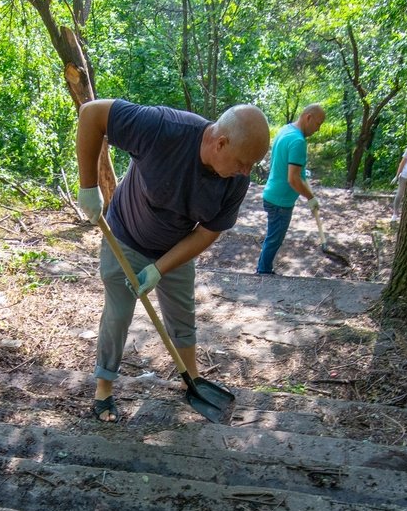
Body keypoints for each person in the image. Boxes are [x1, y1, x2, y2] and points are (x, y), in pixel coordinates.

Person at [75, 99, 270, 423]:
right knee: (119, 315)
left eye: (250, 166)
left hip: (175, 249)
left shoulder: (236, 181)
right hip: (124, 238)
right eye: (242, 163)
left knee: (182, 315)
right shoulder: (163, 129)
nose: (245, 172)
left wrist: (159, 268)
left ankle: (191, 380)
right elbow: (92, 114)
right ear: (220, 143)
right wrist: (88, 186)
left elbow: (207, 233)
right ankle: (104, 389)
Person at [257, 104, 325, 275]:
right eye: (318, 123)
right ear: (308, 117)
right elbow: (293, 178)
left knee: (273, 237)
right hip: (280, 201)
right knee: (274, 239)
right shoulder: (298, 141)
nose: (318, 129)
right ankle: (263, 272)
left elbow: (293, 169)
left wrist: (303, 174)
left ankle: (263, 269)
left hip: (273, 194)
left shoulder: (286, 130)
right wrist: (311, 197)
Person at [391, 139, 407, 222]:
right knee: (400, 193)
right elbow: (403, 162)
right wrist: (397, 176)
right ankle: (395, 213)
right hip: (405, 175)